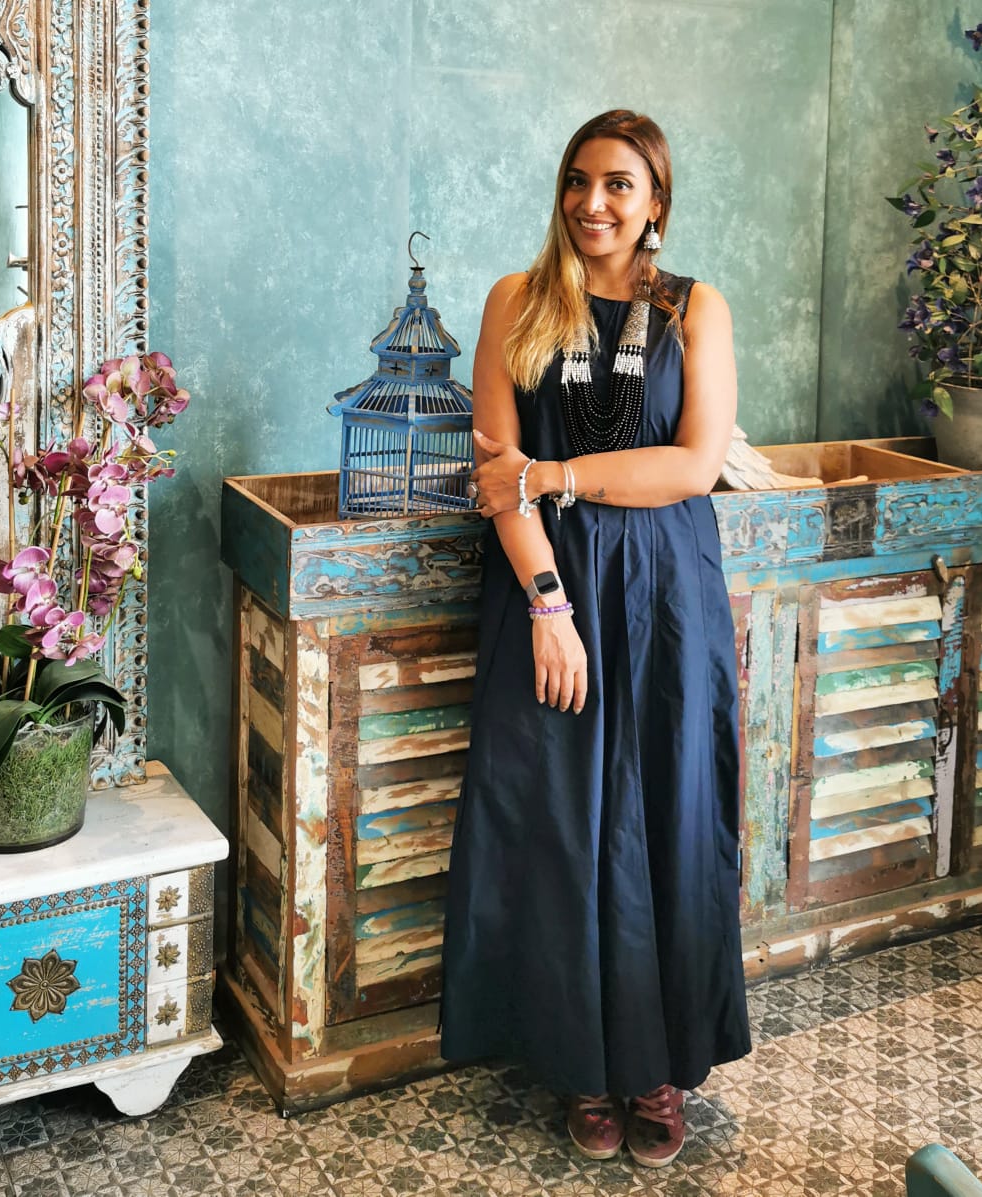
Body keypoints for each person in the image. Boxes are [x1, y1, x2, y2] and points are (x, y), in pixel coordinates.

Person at [439, 110, 751, 1170]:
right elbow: (497, 475)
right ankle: (579, 1062)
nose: (593, 202)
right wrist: (547, 605)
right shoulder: (516, 301)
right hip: (551, 586)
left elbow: (693, 465)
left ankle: (658, 1067)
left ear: (655, 200)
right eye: (578, 181)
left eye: (619, 184)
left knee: (667, 815)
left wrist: (557, 474)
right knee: (561, 823)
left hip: (668, 595)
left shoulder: (694, 309)